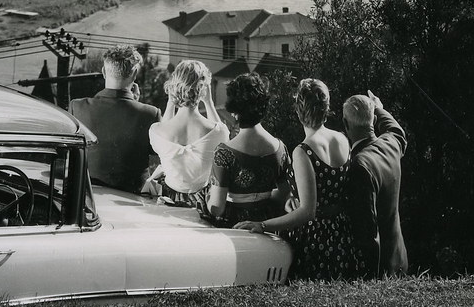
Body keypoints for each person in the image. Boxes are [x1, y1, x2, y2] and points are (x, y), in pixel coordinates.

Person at [235, 78, 361, 280]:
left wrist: (263, 225)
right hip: (341, 234)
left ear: (298, 111)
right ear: (326, 107)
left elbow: (308, 212)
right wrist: (293, 200)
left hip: (314, 241)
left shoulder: (303, 151)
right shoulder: (342, 139)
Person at [69, 45, 160, 193]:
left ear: (104, 72)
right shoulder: (150, 114)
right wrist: (136, 104)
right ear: (134, 74)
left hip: (88, 198)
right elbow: (155, 152)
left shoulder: (77, 107)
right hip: (132, 200)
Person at [206, 73, 292, 226]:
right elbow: (285, 194)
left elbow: (216, 208)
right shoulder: (280, 148)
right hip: (269, 224)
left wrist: (207, 198)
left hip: (236, 226)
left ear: (234, 111)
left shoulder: (224, 153)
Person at [141, 60, 228, 207]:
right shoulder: (219, 132)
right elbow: (221, 136)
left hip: (168, 200)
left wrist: (171, 102)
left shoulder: (156, 131)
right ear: (203, 90)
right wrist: (209, 103)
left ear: (174, 89)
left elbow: (166, 126)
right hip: (203, 201)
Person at [342, 91, 408, 277]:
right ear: (373, 120)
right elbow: (397, 131)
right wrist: (378, 108)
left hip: (381, 267)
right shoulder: (391, 145)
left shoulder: (359, 166)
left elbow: (367, 230)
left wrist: (369, 274)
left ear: (346, 124)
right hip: (399, 257)